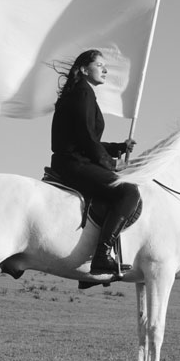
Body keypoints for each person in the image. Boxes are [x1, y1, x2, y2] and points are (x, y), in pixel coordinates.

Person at [50, 49, 141, 274]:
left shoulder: (81, 92)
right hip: (74, 164)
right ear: (83, 69)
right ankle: (102, 254)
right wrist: (111, 164)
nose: (105, 70)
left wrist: (118, 148)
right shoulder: (83, 93)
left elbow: (86, 138)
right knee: (129, 193)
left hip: (74, 160)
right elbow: (87, 139)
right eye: (99, 65)